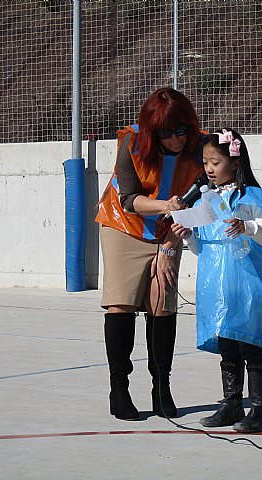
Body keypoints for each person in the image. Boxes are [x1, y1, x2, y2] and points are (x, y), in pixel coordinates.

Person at [95, 87, 205, 421]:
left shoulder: (201, 147)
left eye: (181, 131)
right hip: (123, 224)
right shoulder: (132, 143)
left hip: (171, 228)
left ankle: (162, 386)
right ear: (152, 130)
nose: (175, 139)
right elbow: (129, 198)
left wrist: (169, 248)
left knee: (162, 300)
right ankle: (119, 388)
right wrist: (164, 206)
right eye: (166, 133)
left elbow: (201, 200)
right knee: (122, 301)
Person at [171, 128, 262, 432]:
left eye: (215, 162)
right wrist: (189, 236)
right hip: (216, 286)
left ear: (235, 162)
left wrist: (247, 226)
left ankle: (261, 409)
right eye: (205, 162)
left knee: (250, 344)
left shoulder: (250, 198)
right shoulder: (204, 202)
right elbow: (201, 248)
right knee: (228, 345)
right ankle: (231, 404)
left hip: (247, 283)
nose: (208, 168)